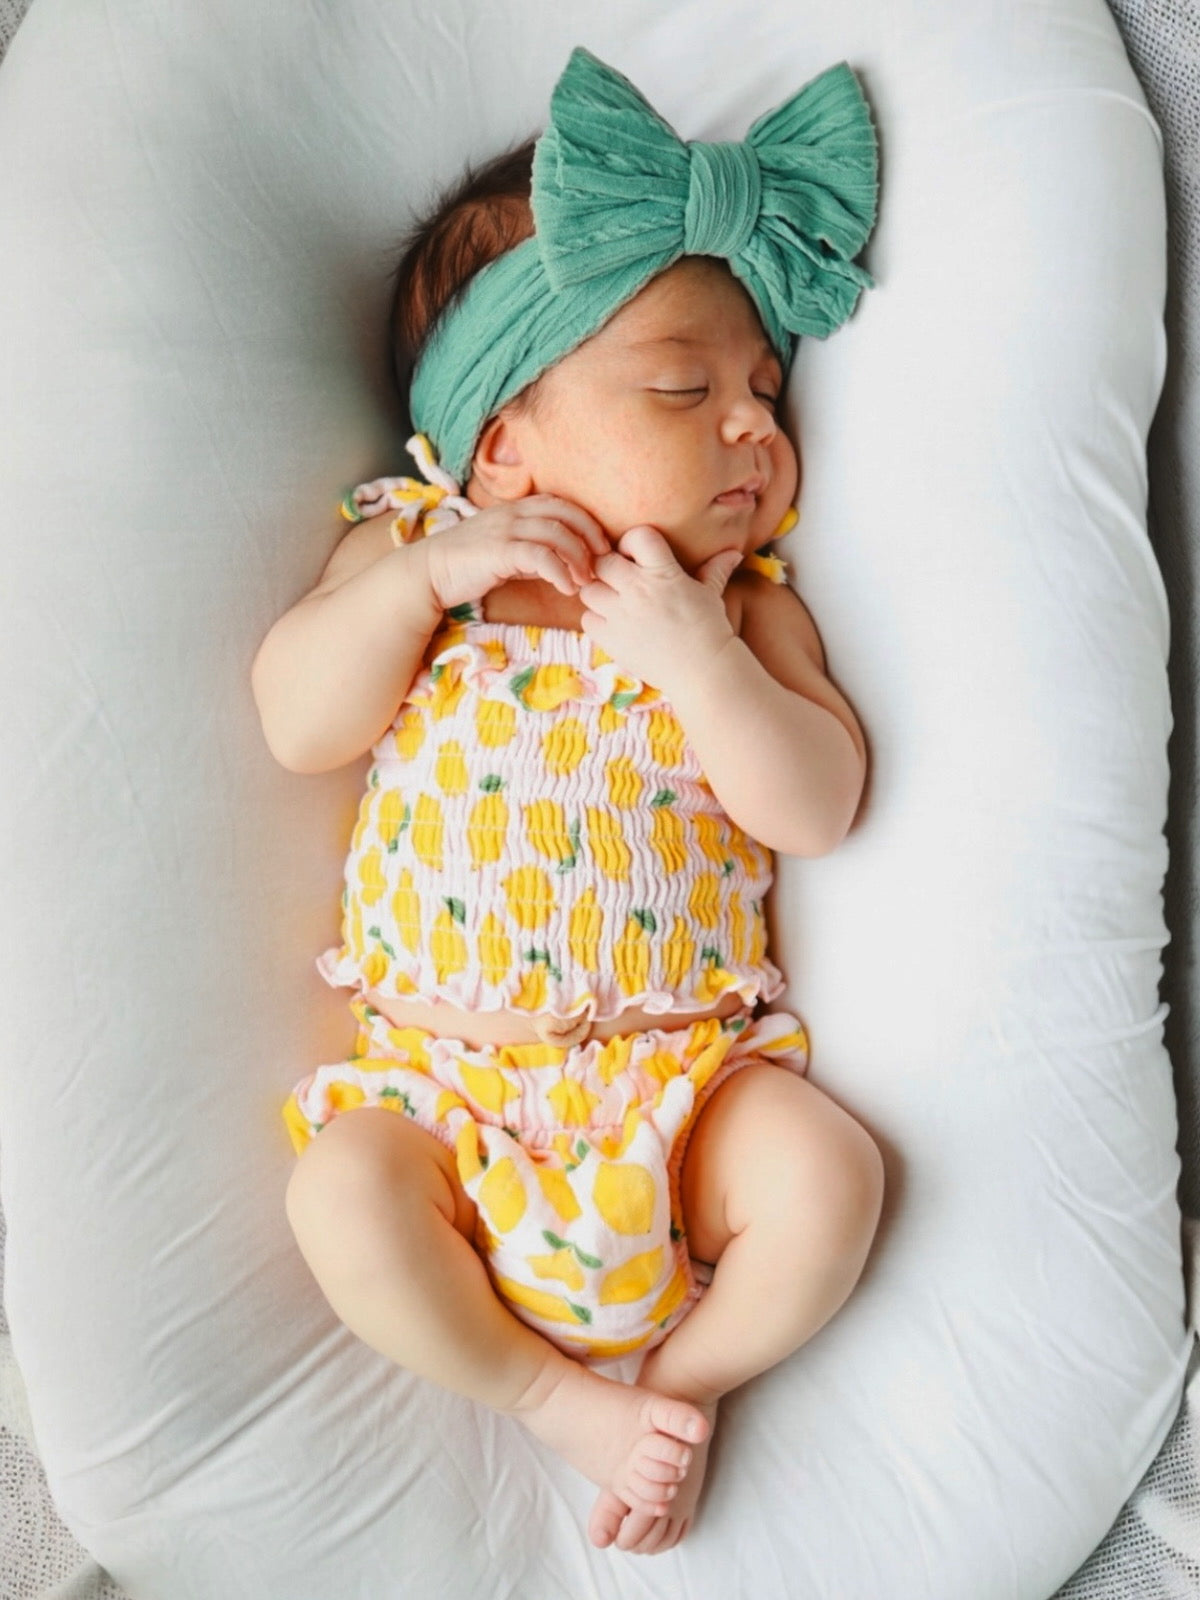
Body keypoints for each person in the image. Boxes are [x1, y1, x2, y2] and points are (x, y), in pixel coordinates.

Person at [252, 47, 885, 1557]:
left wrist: (704, 664)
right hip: (444, 1105)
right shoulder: (416, 563)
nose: (754, 426)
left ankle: (679, 1384)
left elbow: (818, 805)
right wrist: (419, 581)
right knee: (340, 1198)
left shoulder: (743, 607)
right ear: (499, 447)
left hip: (685, 1095)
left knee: (832, 1179)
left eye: (764, 390)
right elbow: (296, 719)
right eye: (683, 387)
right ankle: (546, 1395)